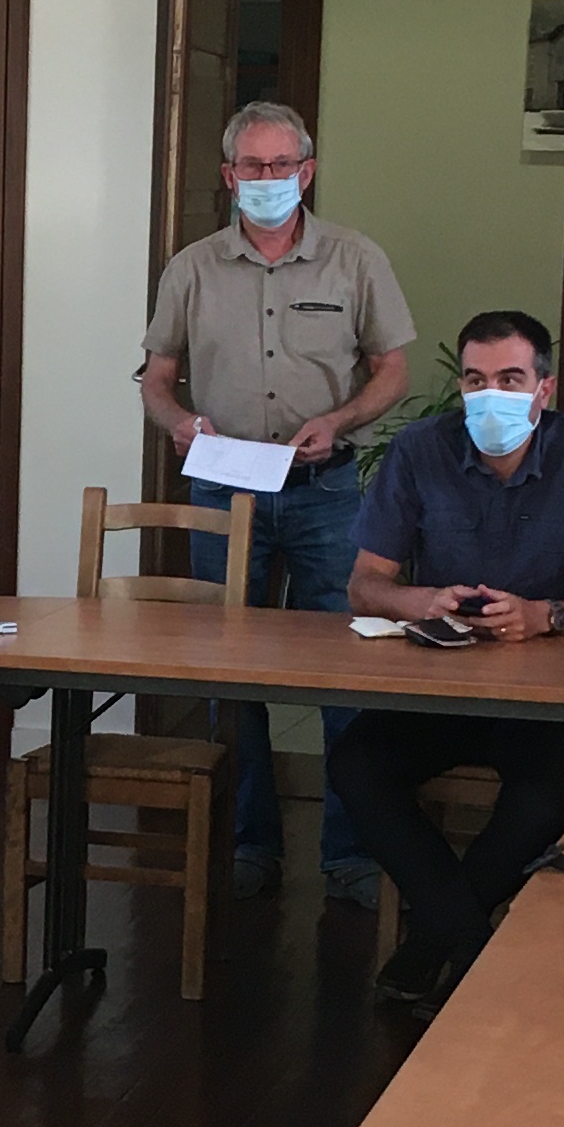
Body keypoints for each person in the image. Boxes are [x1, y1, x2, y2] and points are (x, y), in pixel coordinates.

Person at [328, 309, 564, 1010]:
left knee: (555, 787)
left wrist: (545, 618)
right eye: (475, 380)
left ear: (543, 387)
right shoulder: (421, 449)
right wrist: (419, 602)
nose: (490, 395)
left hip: (544, 694)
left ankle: (432, 942)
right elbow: (365, 582)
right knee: (356, 765)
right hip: (439, 681)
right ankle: (469, 940)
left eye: (510, 378)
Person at [136, 99, 415, 905]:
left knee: (346, 667)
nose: (267, 180)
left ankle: (351, 853)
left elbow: (391, 370)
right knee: (230, 671)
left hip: (326, 486)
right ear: (228, 177)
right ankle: (250, 842)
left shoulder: (355, 259)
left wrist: (341, 420)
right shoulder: (191, 266)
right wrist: (179, 422)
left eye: (281, 166)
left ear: (308, 170)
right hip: (225, 485)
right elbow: (156, 379)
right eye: (251, 168)